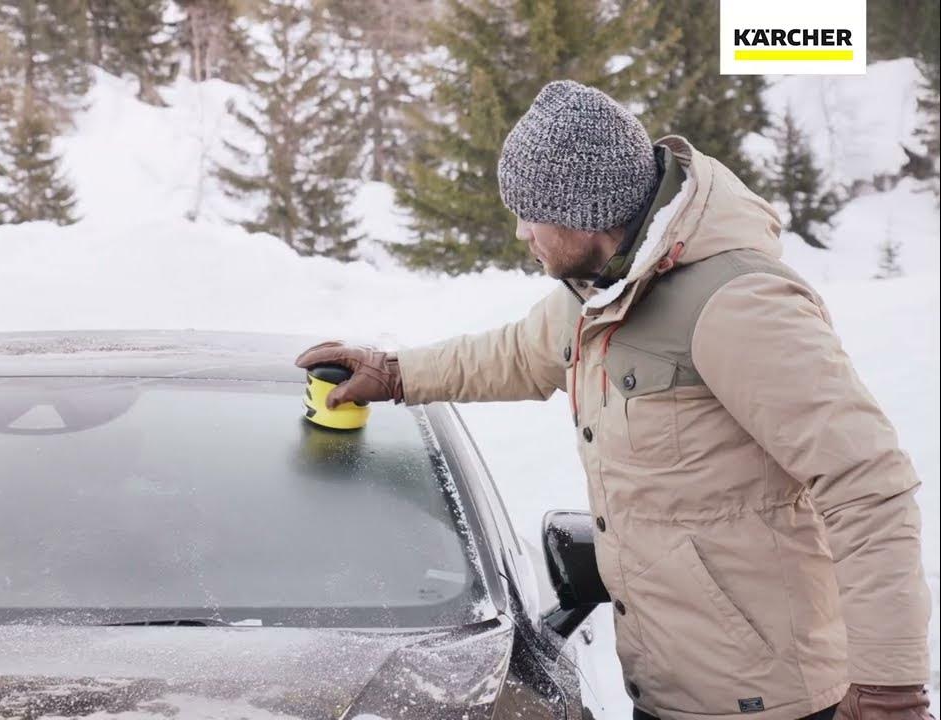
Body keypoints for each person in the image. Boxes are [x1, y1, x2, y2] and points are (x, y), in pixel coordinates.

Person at [294, 80, 933, 720]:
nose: (522, 232)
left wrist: (888, 690)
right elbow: (516, 353)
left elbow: (865, 483)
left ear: (585, 213)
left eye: (530, 212)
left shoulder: (736, 304)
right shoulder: (604, 290)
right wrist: (394, 373)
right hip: (671, 686)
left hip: (769, 700)